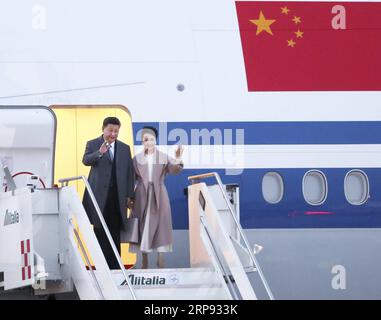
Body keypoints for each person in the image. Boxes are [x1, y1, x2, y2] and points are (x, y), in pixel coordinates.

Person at [82, 117, 135, 269]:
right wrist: (99, 152)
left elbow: (129, 173)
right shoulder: (92, 144)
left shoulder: (124, 148)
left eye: (116, 131)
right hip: (99, 197)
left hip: (117, 197)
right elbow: (85, 160)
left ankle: (116, 268)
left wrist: (130, 196)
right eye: (110, 130)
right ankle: (101, 267)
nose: (113, 134)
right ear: (103, 129)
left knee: (115, 233)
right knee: (99, 231)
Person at [129, 126, 184, 269]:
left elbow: (174, 169)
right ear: (142, 141)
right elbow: (130, 179)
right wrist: (129, 198)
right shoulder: (136, 159)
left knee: (162, 226)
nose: (149, 142)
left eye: (151, 139)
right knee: (143, 226)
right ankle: (145, 260)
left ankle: (161, 259)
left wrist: (178, 158)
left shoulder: (163, 157)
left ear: (155, 140)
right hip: (141, 194)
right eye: (146, 139)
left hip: (159, 194)